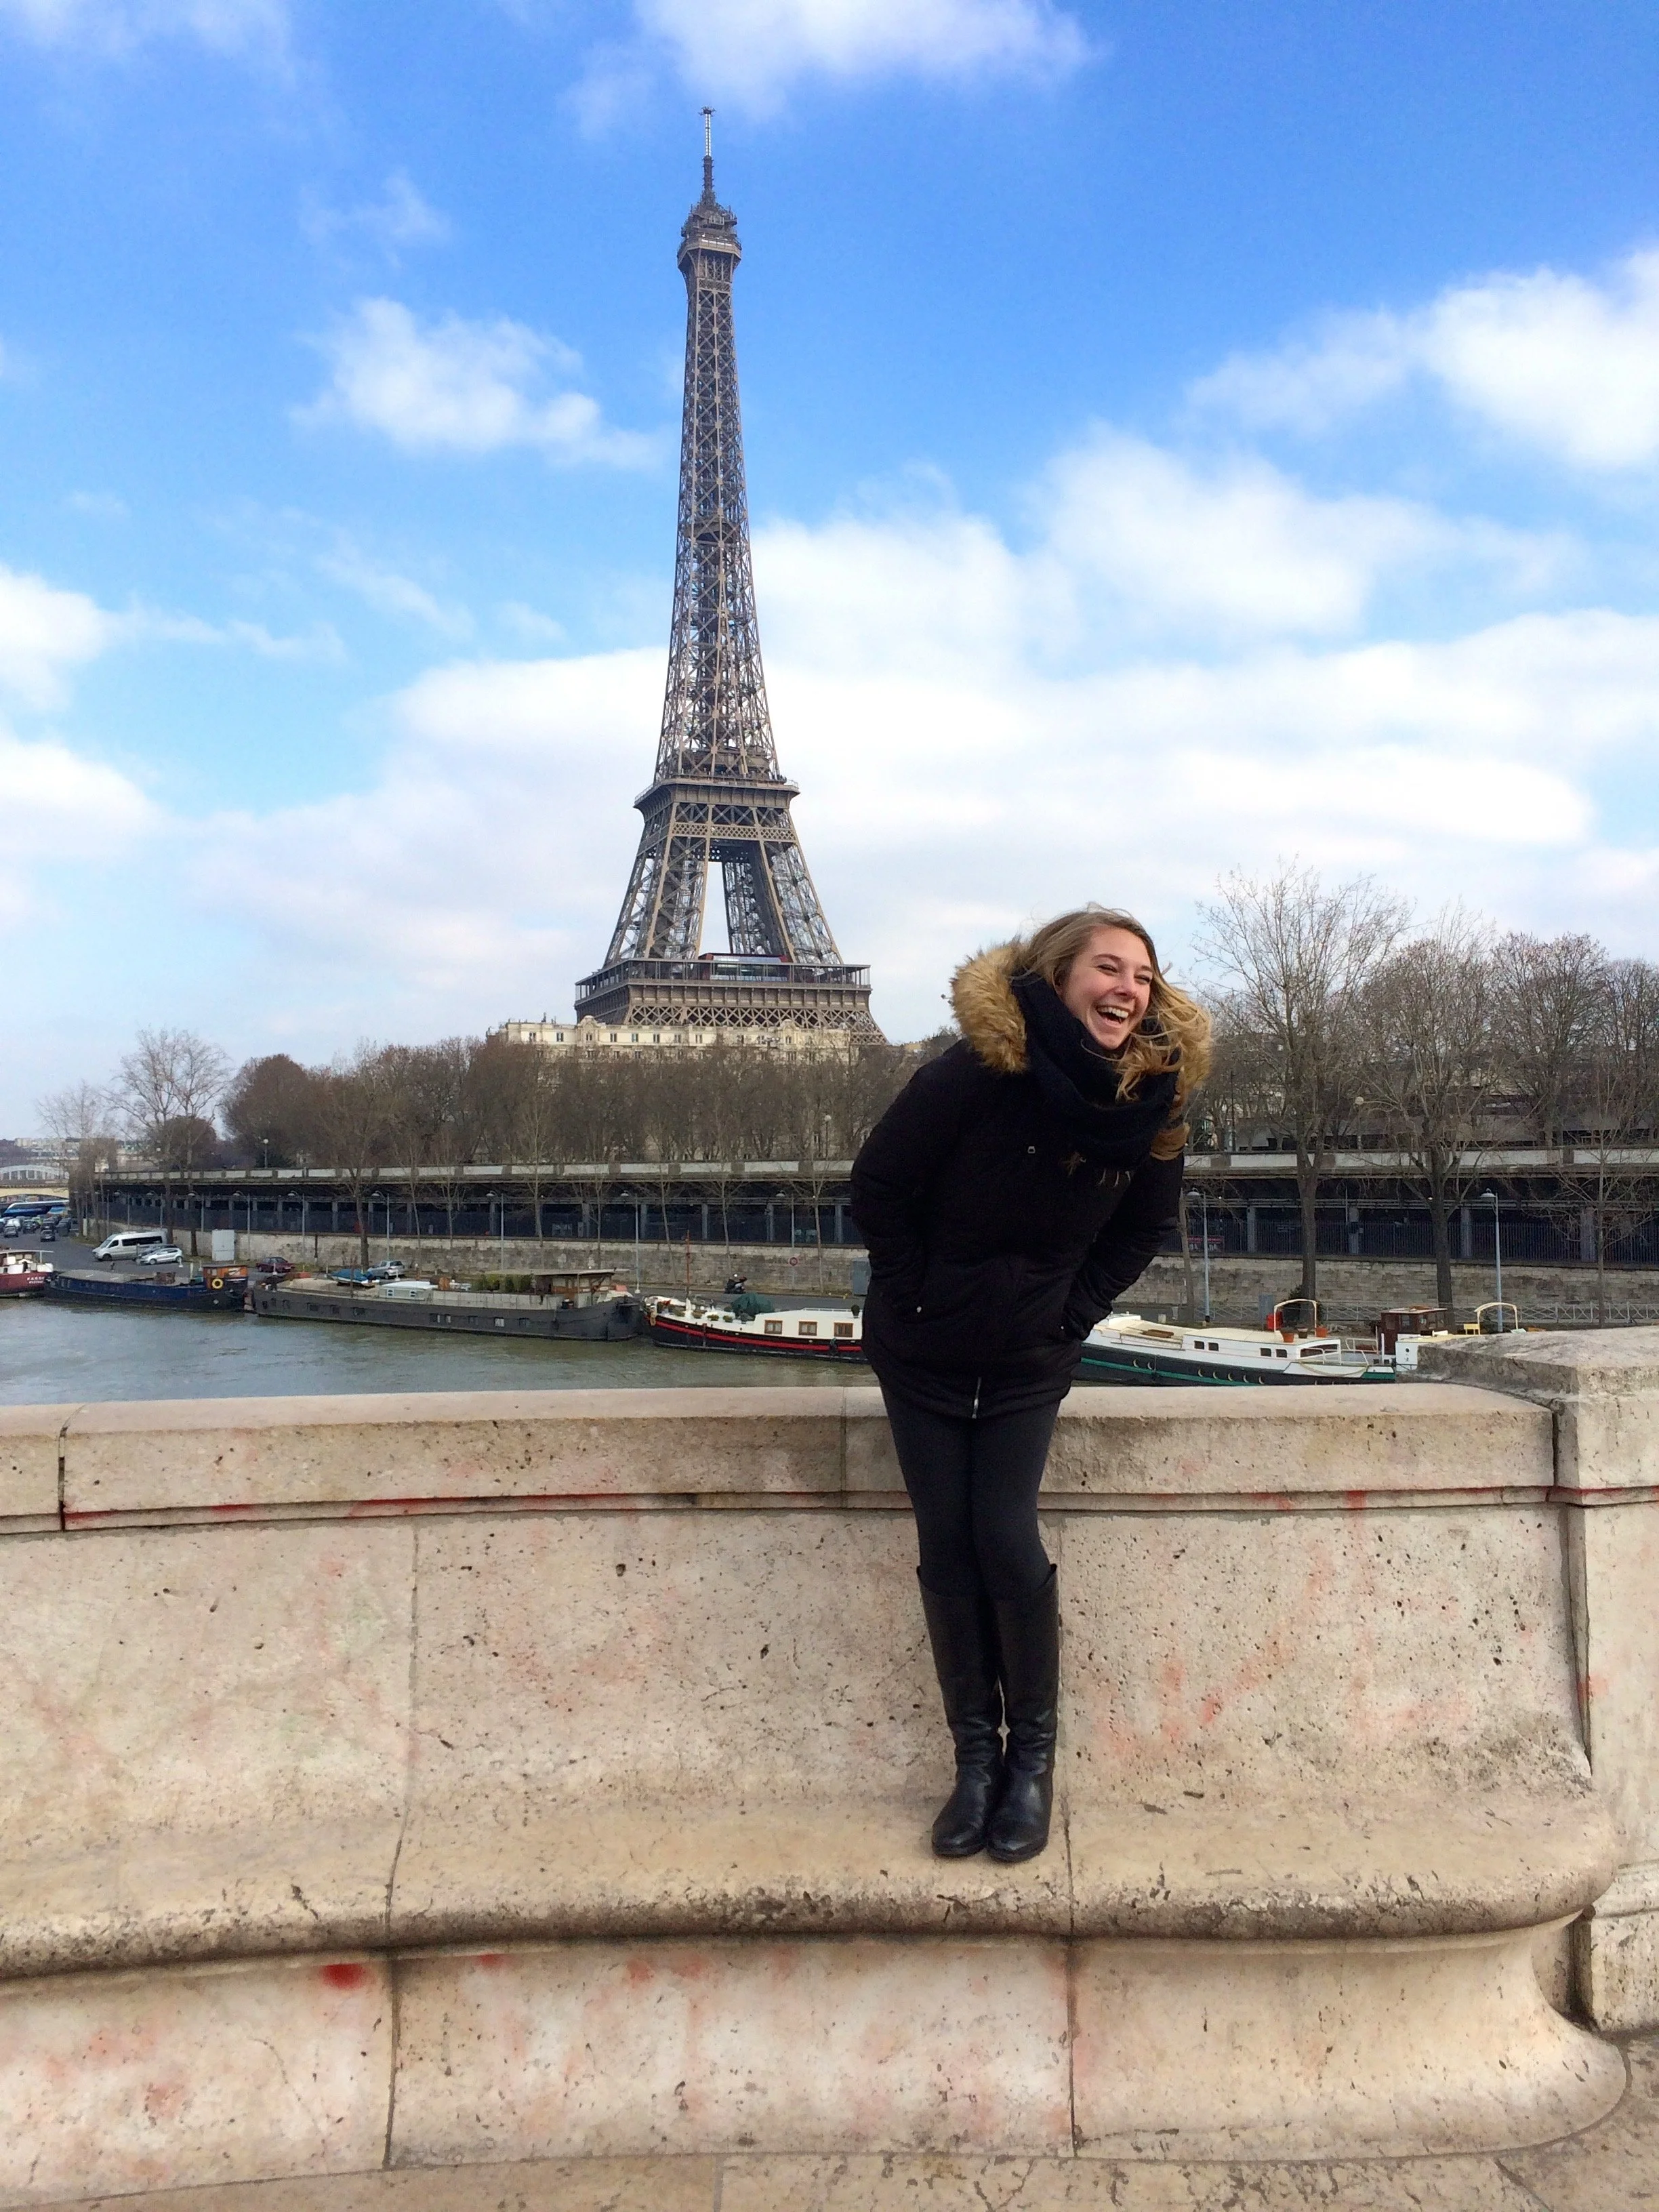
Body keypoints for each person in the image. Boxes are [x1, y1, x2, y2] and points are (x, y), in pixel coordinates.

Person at [850, 907, 1212, 1864]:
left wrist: (1070, 1311)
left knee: (1004, 1538)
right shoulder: (970, 1074)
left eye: (1143, 973)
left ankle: (1031, 1764)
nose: (1129, 987)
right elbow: (878, 1185)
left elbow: (1143, 1230)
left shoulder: (1152, 1101)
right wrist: (920, 1294)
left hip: (1027, 1358)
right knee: (947, 1544)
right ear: (1058, 979)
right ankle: (974, 1762)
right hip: (924, 1351)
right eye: (1108, 967)